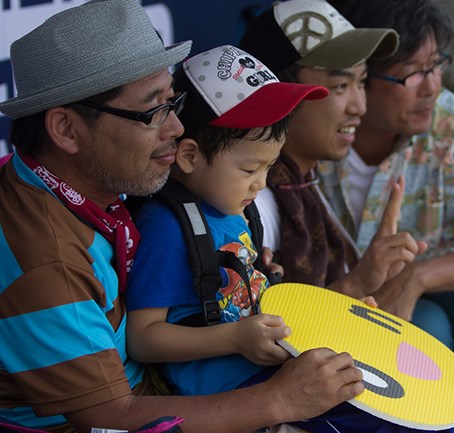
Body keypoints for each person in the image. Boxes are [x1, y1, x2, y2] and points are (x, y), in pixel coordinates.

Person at [0, 1, 366, 432]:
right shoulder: (47, 259)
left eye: (172, 101)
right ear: (65, 129)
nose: (175, 128)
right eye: (151, 111)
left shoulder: (64, 183)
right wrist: (281, 399)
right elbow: (110, 418)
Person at [243, 0, 454, 432]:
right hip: (359, 305)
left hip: (437, 285)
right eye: (412, 73)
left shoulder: (453, 124)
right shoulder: (294, 152)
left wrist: (417, 277)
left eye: (437, 66)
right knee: (425, 333)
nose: (432, 87)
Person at [125, 43, 454, 433]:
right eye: (250, 168)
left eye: (269, 166)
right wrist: (234, 338)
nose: (261, 183)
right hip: (232, 390)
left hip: (273, 368)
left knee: (420, 414)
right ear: (189, 156)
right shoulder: (167, 226)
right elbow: (142, 338)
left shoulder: (236, 212)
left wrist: (342, 314)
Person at [239, 0, 427, 300]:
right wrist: (356, 283)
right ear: (279, 93)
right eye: (340, 86)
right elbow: (264, 325)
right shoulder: (249, 202)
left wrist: (369, 281)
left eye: (361, 82)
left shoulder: (303, 182)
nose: (359, 107)